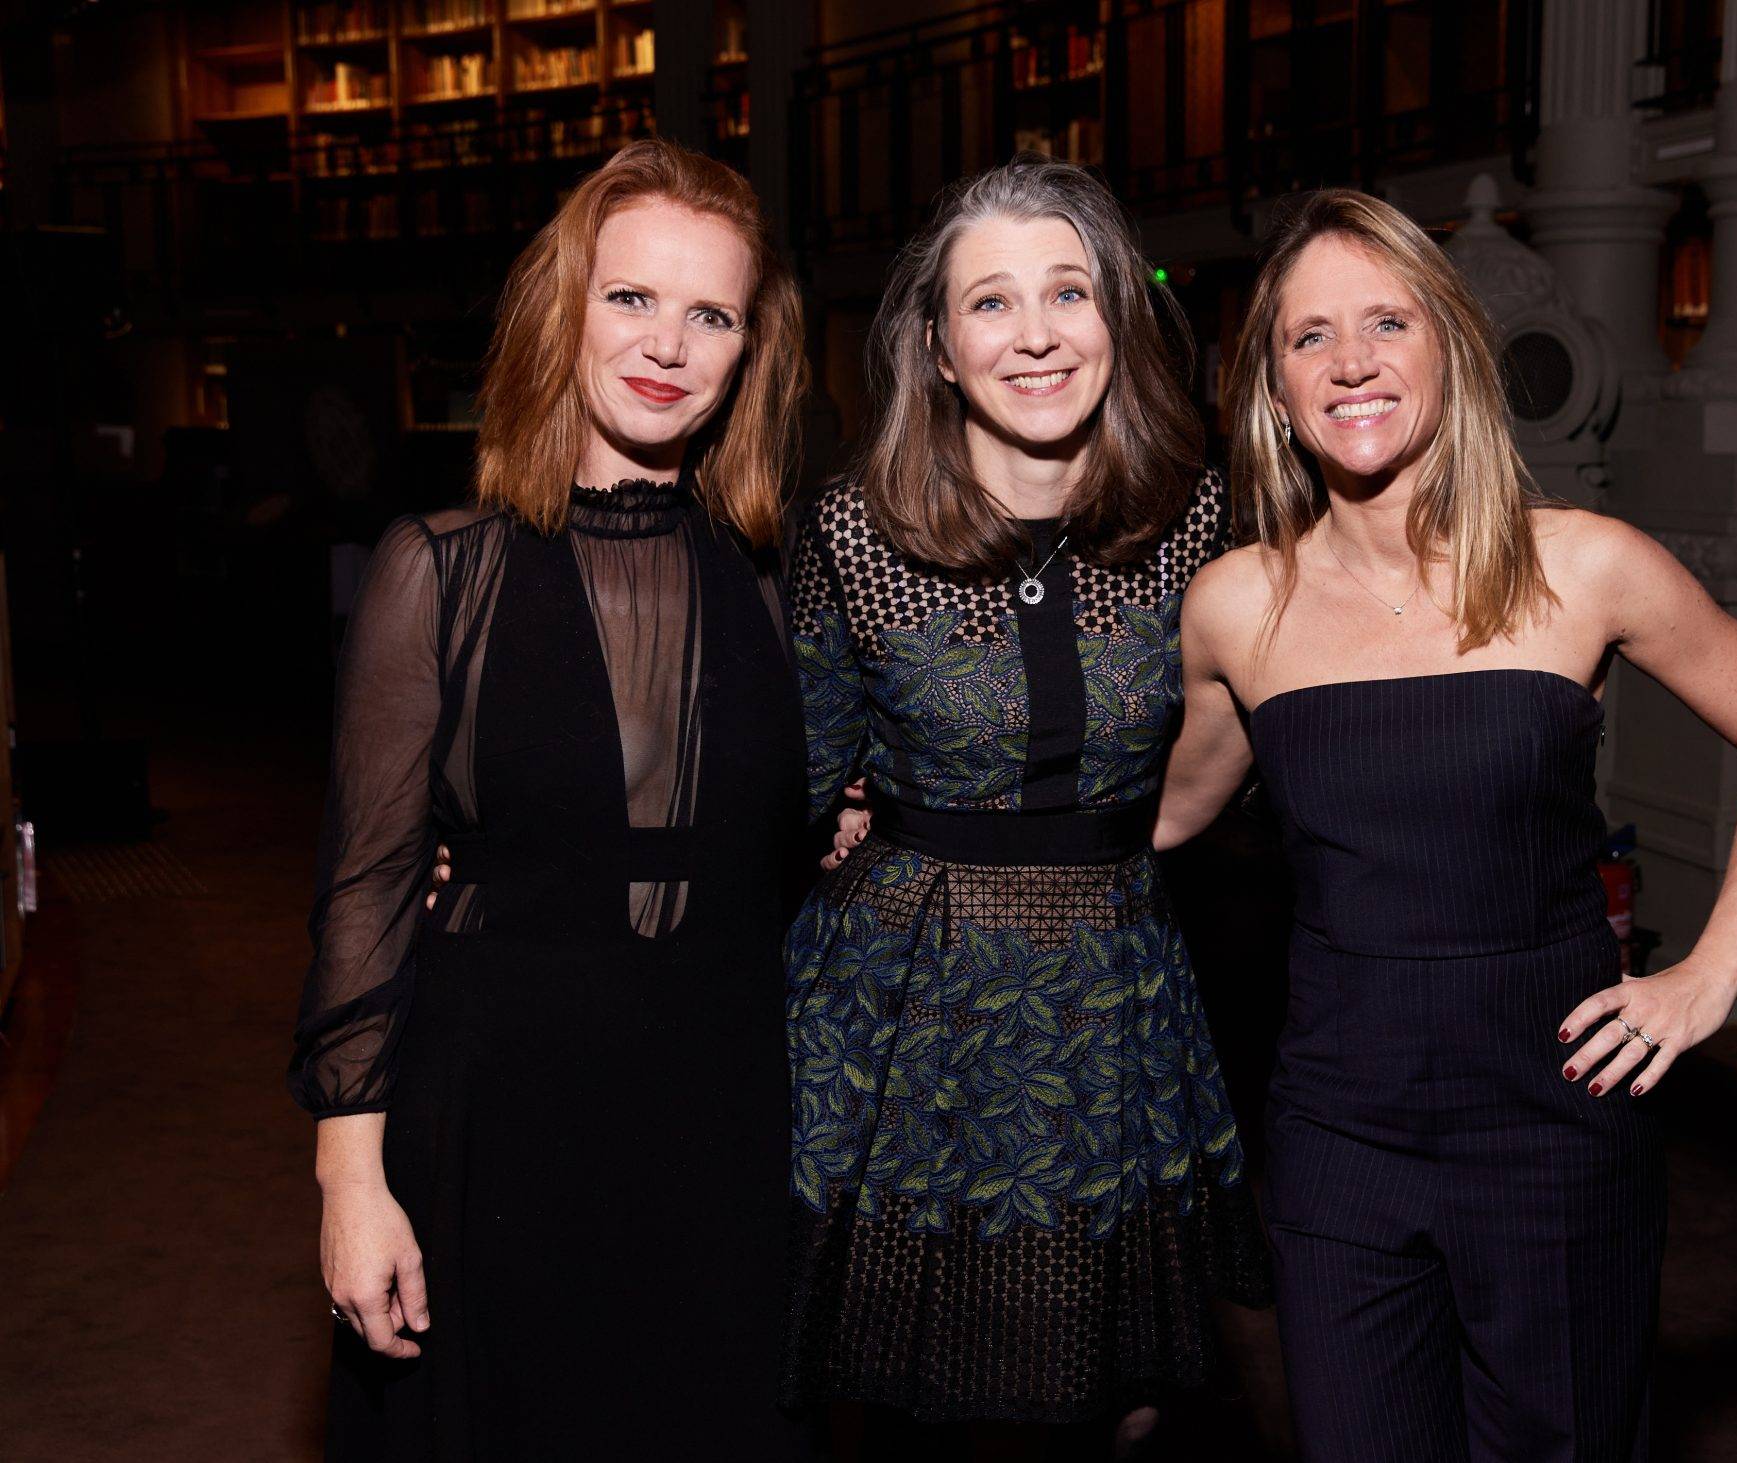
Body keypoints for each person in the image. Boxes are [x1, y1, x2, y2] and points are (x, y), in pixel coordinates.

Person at [1155, 189, 1737, 1461]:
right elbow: (1163, 815)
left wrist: (1709, 973)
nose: (1350, 361)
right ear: (1269, 384)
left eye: (1384, 321)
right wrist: (905, 802)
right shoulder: (1234, 603)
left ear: (1447, 350)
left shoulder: (1583, 562)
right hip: (1334, 1126)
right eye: (1308, 337)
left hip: (1553, 1115)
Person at [289, 139, 815, 1461]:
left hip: (721, 1125)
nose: (668, 344)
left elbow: (790, 843)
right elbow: (364, 889)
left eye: (711, 314)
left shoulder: (777, 578)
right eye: (630, 298)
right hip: (497, 1122)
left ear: (748, 350)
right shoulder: (440, 569)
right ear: (563, 310)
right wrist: (350, 1179)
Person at [781, 157, 1270, 1450]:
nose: (1038, 332)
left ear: (1119, 312)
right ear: (936, 345)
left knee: (1123, 1397)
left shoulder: (1200, 517)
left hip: (1115, 999)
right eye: (990, 302)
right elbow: (783, 776)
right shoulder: (852, 529)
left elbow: (1265, 725)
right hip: (900, 1006)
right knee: (888, 1396)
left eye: (1069, 290)